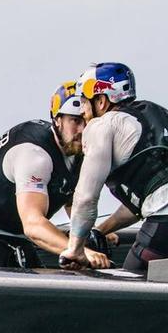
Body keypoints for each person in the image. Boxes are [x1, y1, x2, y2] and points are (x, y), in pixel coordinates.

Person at [0, 82, 110, 268]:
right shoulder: (35, 155)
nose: (83, 130)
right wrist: (80, 251)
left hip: (20, 237)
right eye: (75, 121)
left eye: (87, 122)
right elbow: (33, 224)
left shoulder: (77, 150)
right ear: (57, 120)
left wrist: (92, 231)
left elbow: (70, 197)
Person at [60, 62, 168, 273]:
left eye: (83, 102)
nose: (82, 112)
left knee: (132, 296)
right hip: (162, 212)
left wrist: (75, 248)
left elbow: (86, 197)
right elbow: (150, 196)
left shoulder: (102, 125)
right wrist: (102, 229)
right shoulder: (157, 113)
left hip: (164, 222)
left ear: (100, 101)